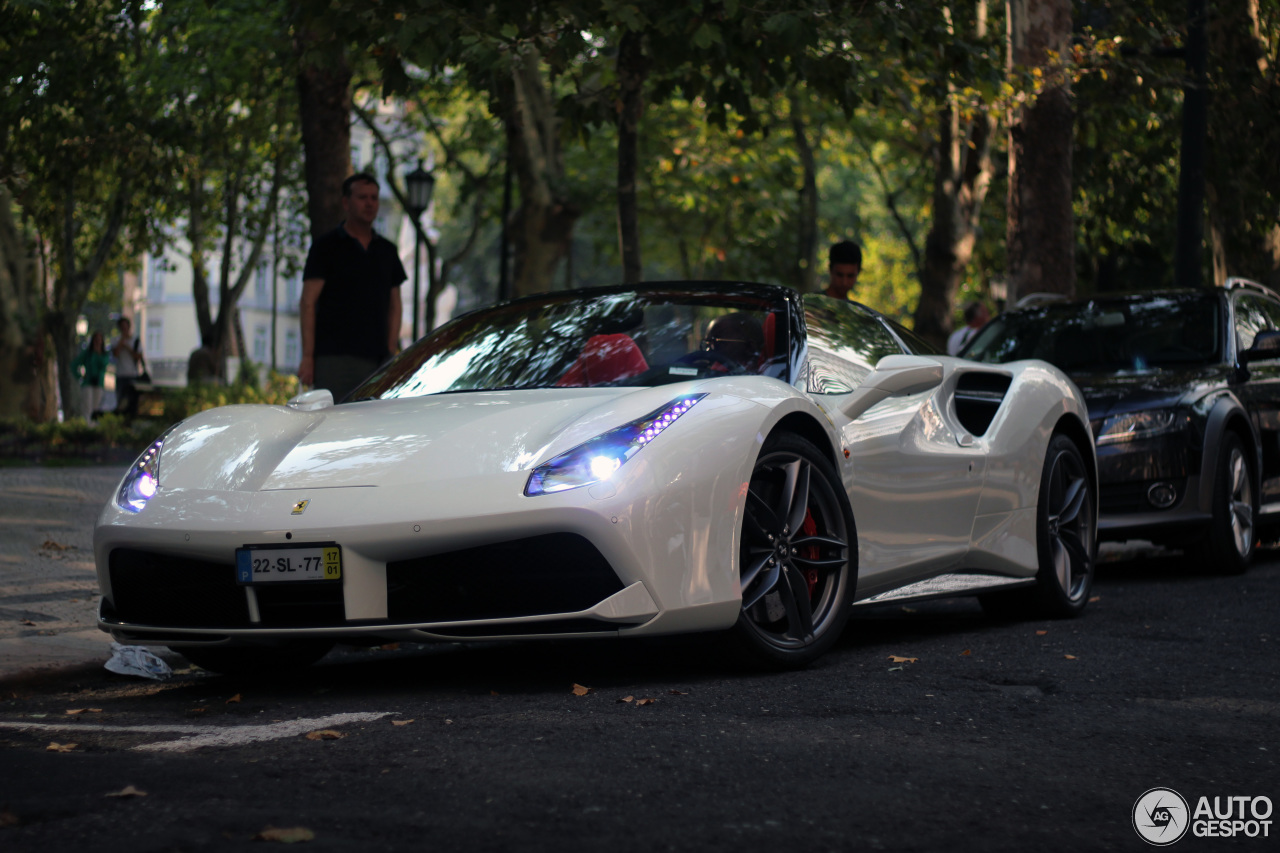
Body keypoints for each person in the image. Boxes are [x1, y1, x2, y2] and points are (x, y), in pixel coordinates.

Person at [299, 172, 407, 401]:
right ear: (346, 202)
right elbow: (308, 302)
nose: (370, 203)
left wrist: (390, 351)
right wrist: (308, 357)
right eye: (362, 197)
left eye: (374, 198)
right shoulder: (325, 247)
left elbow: (395, 305)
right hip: (333, 360)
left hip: (377, 362)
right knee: (334, 423)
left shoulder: (387, 251)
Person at [73, 332, 110, 419]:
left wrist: (98, 353)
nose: (98, 342)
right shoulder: (87, 354)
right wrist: (80, 376)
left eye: (99, 340)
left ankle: (93, 426)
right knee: (87, 406)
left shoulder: (104, 355)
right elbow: (74, 365)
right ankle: (86, 425)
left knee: (96, 407)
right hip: (88, 383)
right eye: (96, 339)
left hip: (98, 383)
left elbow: (103, 365)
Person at [111, 316, 144, 417]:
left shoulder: (135, 341)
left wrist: (128, 348)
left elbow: (138, 356)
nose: (124, 329)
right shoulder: (116, 340)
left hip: (132, 374)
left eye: (126, 327)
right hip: (120, 374)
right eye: (122, 327)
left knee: (132, 401)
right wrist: (121, 342)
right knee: (120, 400)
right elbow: (115, 354)